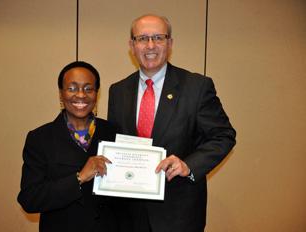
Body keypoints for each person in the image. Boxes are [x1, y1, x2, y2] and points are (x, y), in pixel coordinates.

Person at [108, 14, 236, 232]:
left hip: (178, 215)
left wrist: (189, 165)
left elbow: (223, 136)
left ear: (170, 43)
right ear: (131, 45)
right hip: (129, 215)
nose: (150, 45)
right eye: (142, 38)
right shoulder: (118, 91)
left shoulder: (196, 87)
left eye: (158, 37)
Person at [18, 61, 118, 232]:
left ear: (96, 94)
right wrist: (79, 178)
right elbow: (29, 199)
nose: (81, 95)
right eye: (72, 88)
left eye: (88, 88)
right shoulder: (40, 138)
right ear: (61, 93)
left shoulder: (114, 132)